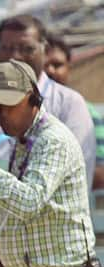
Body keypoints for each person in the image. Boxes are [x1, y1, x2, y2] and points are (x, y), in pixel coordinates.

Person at [0, 15, 97, 267]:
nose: (1, 115)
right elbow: (10, 204)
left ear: (32, 99)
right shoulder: (24, 141)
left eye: (9, 105)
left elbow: (27, 202)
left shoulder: (52, 138)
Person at [44, 33, 104, 191]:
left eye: (57, 65)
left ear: (69, 68)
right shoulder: (22, 113)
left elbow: (99, 171)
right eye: (44, 65)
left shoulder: (87, 112)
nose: (50, 71)